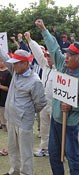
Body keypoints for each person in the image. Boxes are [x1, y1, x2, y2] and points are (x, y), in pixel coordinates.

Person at [0, 32, 47, 175]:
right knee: (13, 148)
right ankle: (14, 171)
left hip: (24, 121)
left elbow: (40, 103)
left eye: (16, 63)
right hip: (12, 118)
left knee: (25, 152)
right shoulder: (16, 72)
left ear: (25, 63)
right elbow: (4, 57)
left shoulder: (35, 81)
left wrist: (26, 112)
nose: (12, 65)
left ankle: (26, 173)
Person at [35, 19, 79, 175]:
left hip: (72, 125)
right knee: (54, 155)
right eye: (66, 53)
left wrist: (73, 107)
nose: (66, 57)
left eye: (71, 55)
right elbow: (53, 49)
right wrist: (44, 29)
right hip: (56, 120)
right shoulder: (62, 66)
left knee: (73, 158)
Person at [24, 31, 56, 157]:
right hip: (44, 103)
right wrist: (30, 40)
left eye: (50, 56)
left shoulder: (60, 69)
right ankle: (44, 148)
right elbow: (38, 54)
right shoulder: (45, 66)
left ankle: (58, 150)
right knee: (44, 128)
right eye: (46, 56)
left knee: (55, 130)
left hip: (55, 104)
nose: (47, 58)